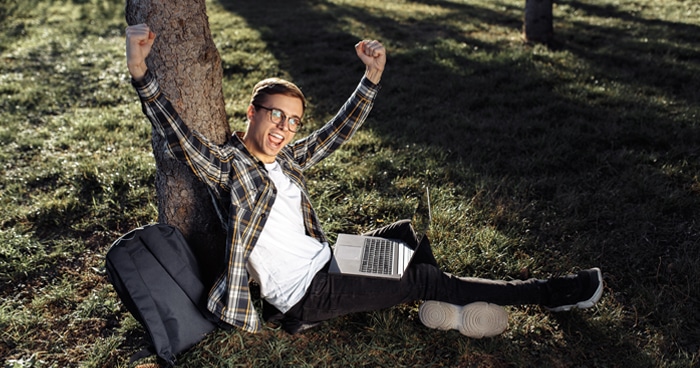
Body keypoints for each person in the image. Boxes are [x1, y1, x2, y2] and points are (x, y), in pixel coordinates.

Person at [125, 23, 603, 338]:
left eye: (292, 121)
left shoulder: (286, 159)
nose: (282, 129)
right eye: (275, 116)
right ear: (251, 113)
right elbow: (178, 134)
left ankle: (445, 306)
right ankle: (551, 293)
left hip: (331, 258)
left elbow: (337, 131)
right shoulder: (228, 166)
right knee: (424, 275)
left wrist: (371, 78)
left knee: (403, 235)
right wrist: (140, 71)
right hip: (307, 294)